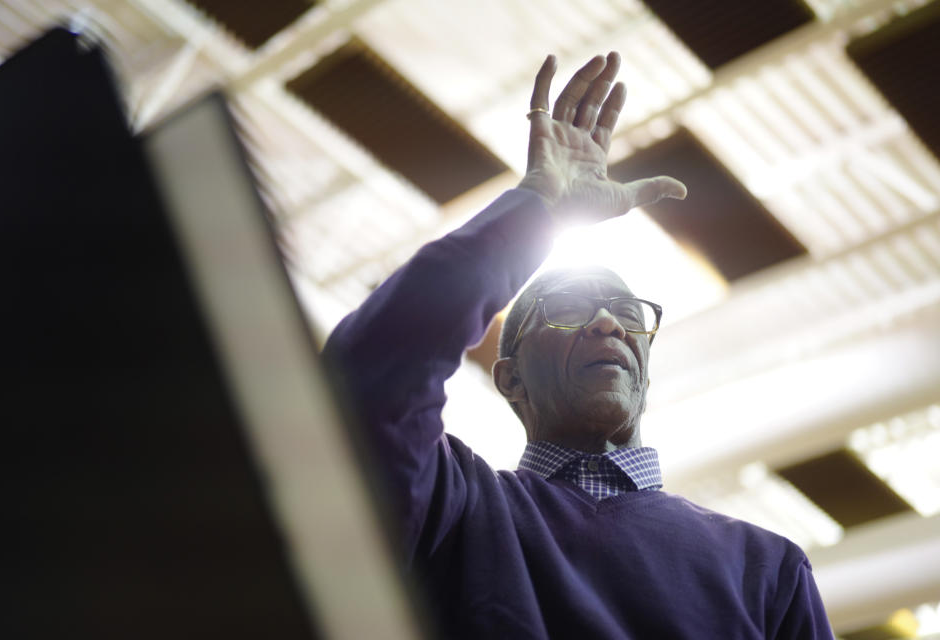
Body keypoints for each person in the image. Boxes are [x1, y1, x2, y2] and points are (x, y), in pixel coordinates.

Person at [323, 52, 834, 639]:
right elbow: (369, 372)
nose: (607, 325)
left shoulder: (767, 567)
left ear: (644, 370)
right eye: (567, 312)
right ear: (510, 379)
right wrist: (536, 210)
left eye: (627, 314)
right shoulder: (457, 505)